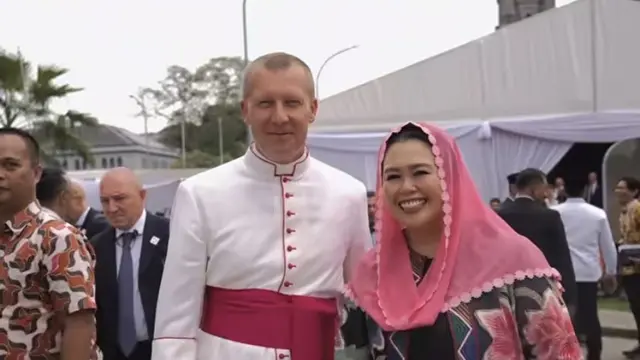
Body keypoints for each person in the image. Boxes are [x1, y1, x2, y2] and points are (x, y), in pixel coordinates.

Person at [151, 52, 370, 360]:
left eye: (292, 102)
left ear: (313, 108)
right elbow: (176, 319)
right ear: (246, 110)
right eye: (265, 103)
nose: (279, 117)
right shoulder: (199, 194)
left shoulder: (349, 193)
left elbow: (368, 295)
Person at [346, 122, 581, 359]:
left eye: (420, 172)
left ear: (450, 176)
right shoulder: (372, 273)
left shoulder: (513, 261)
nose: (406, 187)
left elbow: (560, 353)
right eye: (393, 176)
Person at [0, 128, 100, 359]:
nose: (1, 174)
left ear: (36, 174)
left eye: (11, 165)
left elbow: (80, 325)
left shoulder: (56, 236)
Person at [93, 168, 170, 360]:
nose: (111, 208)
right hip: (113, 352)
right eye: (105, 201)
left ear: (142, 196)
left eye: (119, 199)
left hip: (160, 350)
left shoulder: (170, 234)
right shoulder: (96, 246)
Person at [552, 175, 617, 360]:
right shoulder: (597, 214)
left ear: (563, 189)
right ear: (585, 189)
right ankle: (594, 355)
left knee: (562, 317)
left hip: (562, 272)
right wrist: (611, 271)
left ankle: (562, 354)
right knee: (591, 316)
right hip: (588, 272)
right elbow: (608, 246)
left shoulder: (554, 212)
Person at [498, 168, 578, 311]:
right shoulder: (549, 216)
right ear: (533, 189)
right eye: (544, 188)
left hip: (506, 286)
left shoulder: (499, 215)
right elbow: (561, 257)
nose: (546, 194)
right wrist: (570, 295)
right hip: (540, 286)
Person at [614, 176, 640, 358]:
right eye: (617, 188)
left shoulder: (637, 209)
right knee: (635, 306)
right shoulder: (624, 211)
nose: (618, 191)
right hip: (628, 266)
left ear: (634, 191)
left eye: (622, 188)